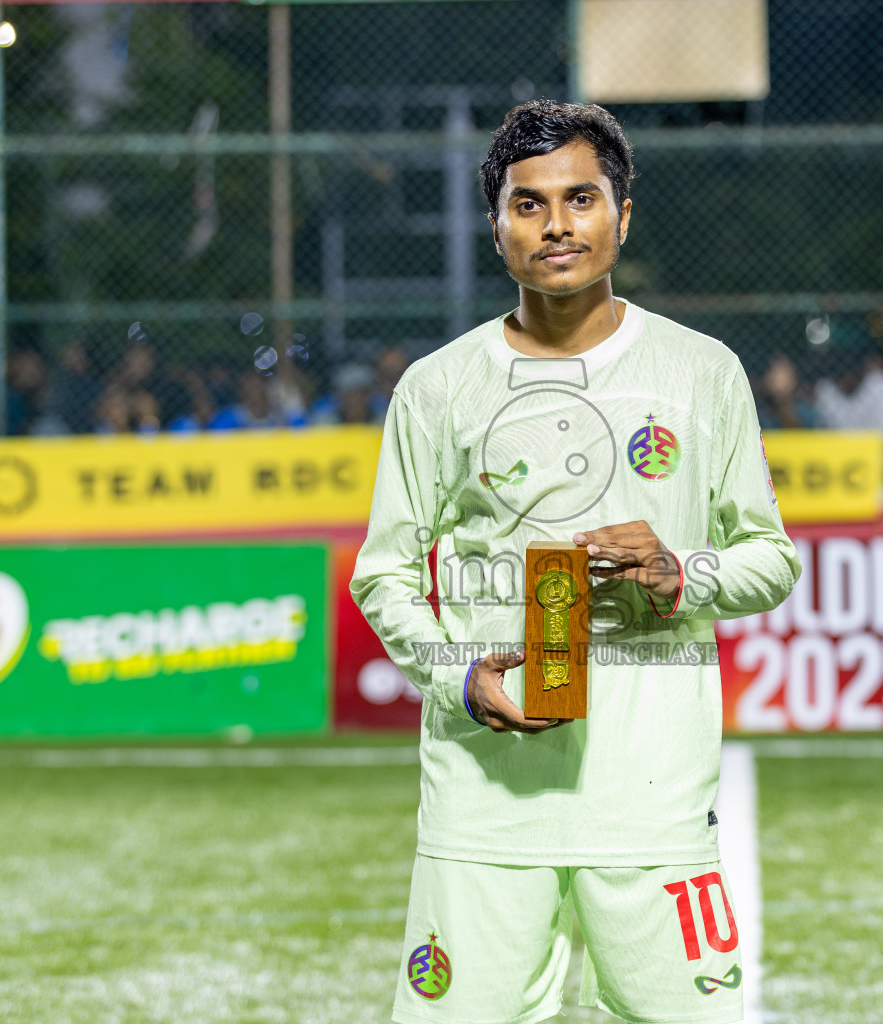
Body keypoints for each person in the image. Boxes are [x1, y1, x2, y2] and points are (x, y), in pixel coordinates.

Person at [349, 100, 799, 1024]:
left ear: (622, 215)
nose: (557, 225)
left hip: (653, 798)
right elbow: (384, 575)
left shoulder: (700, 371)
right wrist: (458, 676)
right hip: (484, 797)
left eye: (581, 198)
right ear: (497, 227)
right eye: (529, 204)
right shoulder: (436, 389)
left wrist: (681, 574)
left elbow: (771, 559)